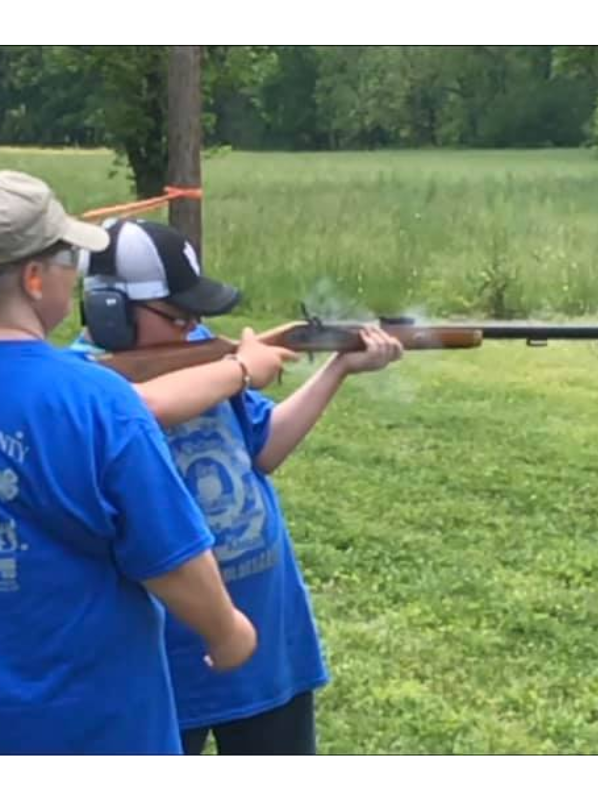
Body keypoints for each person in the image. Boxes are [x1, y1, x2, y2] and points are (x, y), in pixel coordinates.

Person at [76, 217, 404, 755]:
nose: (193, 328)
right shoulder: (81, 386)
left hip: (268, 643)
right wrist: (240, 370)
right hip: (164, 662)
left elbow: (265, 447)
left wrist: (338, 368)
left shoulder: (210, 355)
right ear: (110, 311)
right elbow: (140, 409)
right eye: (178, 316)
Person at [0, 171, 259, 755]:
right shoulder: (98, 404)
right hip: (96, 733)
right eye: (69, 256)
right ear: (36, 278)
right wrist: (228, 630)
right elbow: (169, 560)